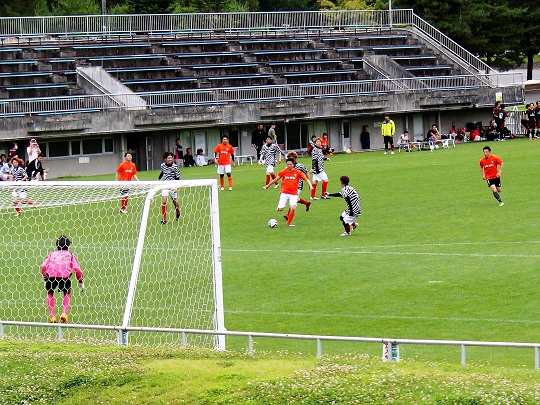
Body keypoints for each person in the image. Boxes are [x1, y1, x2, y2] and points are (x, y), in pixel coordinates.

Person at [41, 235, 84, 324]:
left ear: (57, 245)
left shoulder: (52, 254)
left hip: (51, 276)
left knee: (50, 294)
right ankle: (64, 314)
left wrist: (45, 278)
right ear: (68, 245)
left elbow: (44, 266)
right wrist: (80, 281)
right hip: (65, 277)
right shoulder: (70, 255)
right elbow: (77, 269)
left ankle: (52, 317)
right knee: (67, 293)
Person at [263, 157, 313, 227]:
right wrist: (268, 185)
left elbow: (306, 179)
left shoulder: (298, 172)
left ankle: (288, 224)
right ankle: (306, 203)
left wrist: (310, 186)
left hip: (294, 194)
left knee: (292, 208)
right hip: (284, 193)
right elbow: (276, 179)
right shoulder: (284, 171)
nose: (288, 166)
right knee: (280, 209)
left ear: (293, 164)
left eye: (290, 164)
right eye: (287, 164)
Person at [157, 152, 181, 224]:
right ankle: (164, 219)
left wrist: (177, 188)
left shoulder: (175, 167)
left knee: (174, 201)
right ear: (165, 159)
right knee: (164, 201)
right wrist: (158, 179)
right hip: (165, 184)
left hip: (173, 184)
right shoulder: (162, 165)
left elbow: (177, 177)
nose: (170, 159)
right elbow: (162, 172)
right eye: (169, 158)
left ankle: (178, 211)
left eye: (171, 158)